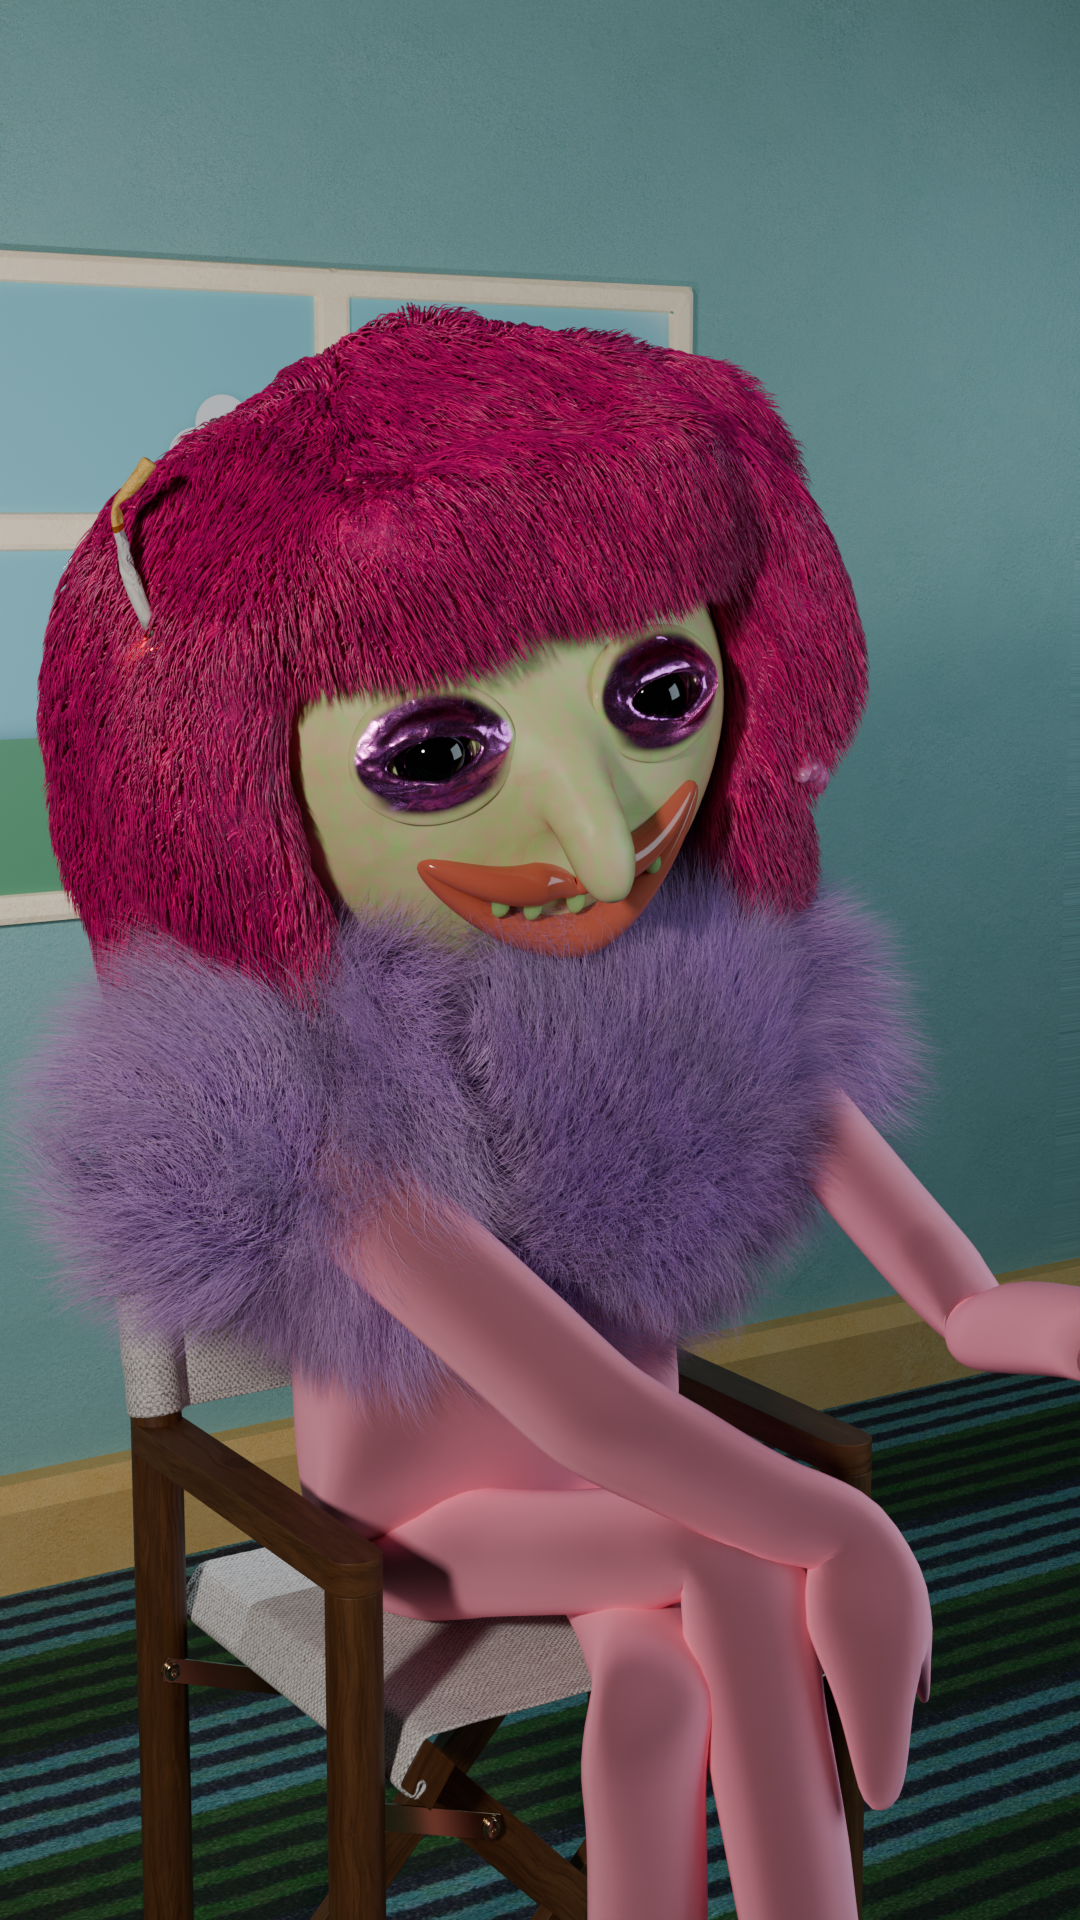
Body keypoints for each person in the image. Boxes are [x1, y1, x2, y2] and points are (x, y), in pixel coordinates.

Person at [31, 307, 1080, 1920]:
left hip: (633, 1490)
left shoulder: (691, 1010)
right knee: (738, 1562)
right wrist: (845, 1533)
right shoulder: (326, 1092)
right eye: (438, 752)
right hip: (415, 1538)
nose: (599, 845)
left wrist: (993, 1311)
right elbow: (584, 1407)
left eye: (661, 691)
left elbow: (943, 1284)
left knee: (656, 1698)